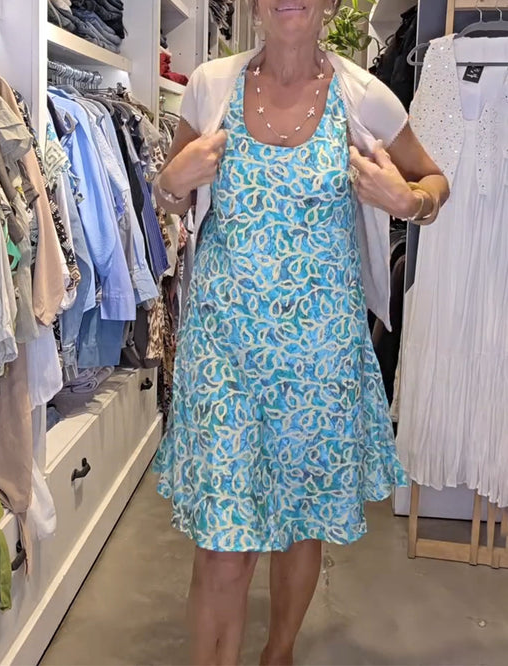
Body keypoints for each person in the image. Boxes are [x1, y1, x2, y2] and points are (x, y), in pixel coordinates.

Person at [152, 0, 450, 663]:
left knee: (300, 520)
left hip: (320, 357)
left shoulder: (363, 98)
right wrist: (169, 183)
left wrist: (410, 202)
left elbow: (433, 179)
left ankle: (278, 652)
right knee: (223, 543)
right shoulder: (211, 86)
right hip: (224, 351)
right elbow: (172, 193)